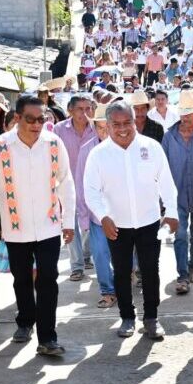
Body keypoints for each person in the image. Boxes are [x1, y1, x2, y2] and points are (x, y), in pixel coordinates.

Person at [0, 95, 75, 356]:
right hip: (16, 228)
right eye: (31, 119)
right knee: (22, 278)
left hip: (49, 226)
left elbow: (66, 183)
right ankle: (25, 321)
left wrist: (68, 221)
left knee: (48, 279)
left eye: (41, 119)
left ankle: (47, 338)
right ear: (17, 118)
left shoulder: (53, 143)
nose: (37, 125)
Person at [84, 100, 179, 340]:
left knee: (150, 270)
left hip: (149, 222)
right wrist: (103, 216)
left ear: (135, 121)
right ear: (107, 125)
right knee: (122, 271)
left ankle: (151, 318)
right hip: (116, 225)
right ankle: (127, 317)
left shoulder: (151, 147)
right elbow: (91, 191)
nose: (123, 128)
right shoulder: (98, 155)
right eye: (116, 124)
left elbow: (166, 183)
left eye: (127, 122)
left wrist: (172, 212)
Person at [162, 90, 193, 294]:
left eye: (189, 112)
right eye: (182, 113)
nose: (185, 117)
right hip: (176, 195)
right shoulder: (169, 136)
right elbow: (162, 168)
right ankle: (182, 276)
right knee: (180, 235)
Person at [75, 104, 116, 308]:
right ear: (94, 127)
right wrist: (83, 217)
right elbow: (80, 185)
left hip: (122, 213)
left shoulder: (125, 147)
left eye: (108, 127)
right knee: (99, 254)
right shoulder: (87, 150)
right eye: (100, 127)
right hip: (97, 215)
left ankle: (125, 279)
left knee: (124, 255)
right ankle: (107, 291)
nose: (104, 132)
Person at [54, 95, 97, 282]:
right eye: (80, 108)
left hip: (92, 185)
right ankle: (77, 265)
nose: (84, 113)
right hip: (67, 185)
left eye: (88, 108)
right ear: (70, 110)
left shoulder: (96, 128)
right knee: (70, 223)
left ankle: (86, 255)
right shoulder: (59, 130)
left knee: (90, 224)